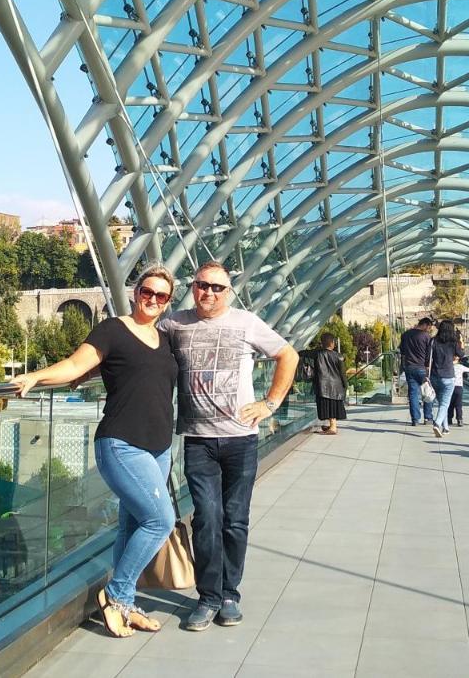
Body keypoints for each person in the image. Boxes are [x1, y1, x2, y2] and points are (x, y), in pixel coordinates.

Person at [17, 266, 178, 638]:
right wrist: (35, 376)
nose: (152, 300)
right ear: (136, 292)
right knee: (160, 521)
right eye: (147, 292)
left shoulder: (165, 338)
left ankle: (125, 604)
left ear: (168, 302)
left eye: (161, 296)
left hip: (159, 447)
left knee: (134, 523)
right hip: (121, 443)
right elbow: (77, 364)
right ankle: (117, 595)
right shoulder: (113, 330)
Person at [160, 261, 298, 632]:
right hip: (198, 440)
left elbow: (288, 355)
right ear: (193, 287)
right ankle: (207, 597)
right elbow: (138, 344)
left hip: (240, 438)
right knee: (206, 518)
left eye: (217, 287)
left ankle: (229, 594)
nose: (209, 293)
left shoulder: (246, 322)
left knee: (235, 520)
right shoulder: (174, 324)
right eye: (203, 286)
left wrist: (269, 404)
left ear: (229, 291)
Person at [429, 320, 464, 438]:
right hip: (448, 376)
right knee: (444, 404)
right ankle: (437, 423)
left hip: (434, 376)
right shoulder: (453, 342)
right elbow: (461, 354)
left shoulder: (433, 340)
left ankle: (446, 428)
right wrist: (461, 344)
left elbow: (427, 358)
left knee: (442, 403)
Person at [398, 317, 434, 426]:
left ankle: (415, 419)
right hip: (423, 368)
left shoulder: (405, 335)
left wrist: (403, 365)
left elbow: (402, 352)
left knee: (413, 394)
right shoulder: (427, 337)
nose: (428, 330)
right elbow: (429, 354)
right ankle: (428, 417)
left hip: (409, 367)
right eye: (429, 327)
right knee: (426, 392)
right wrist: (428, 367)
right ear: (425, 325)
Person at [313, 333, 347, 435]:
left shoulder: (317, 354)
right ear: (332, 343)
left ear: (322, 343)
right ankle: (332, 426)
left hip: (323, 386)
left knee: (327, 406)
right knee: (332, 406)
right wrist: (345, 385)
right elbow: (342, 373)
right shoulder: (339, 356)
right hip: (336, 386)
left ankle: (333, 427)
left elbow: (303, 353)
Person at [449, 360, 469, 427]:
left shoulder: (448, 366)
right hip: (459, 387)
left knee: (450, 404)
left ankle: (449, 419)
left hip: (450, 387)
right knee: (458, 404)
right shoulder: (460, 366)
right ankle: (459, 420)